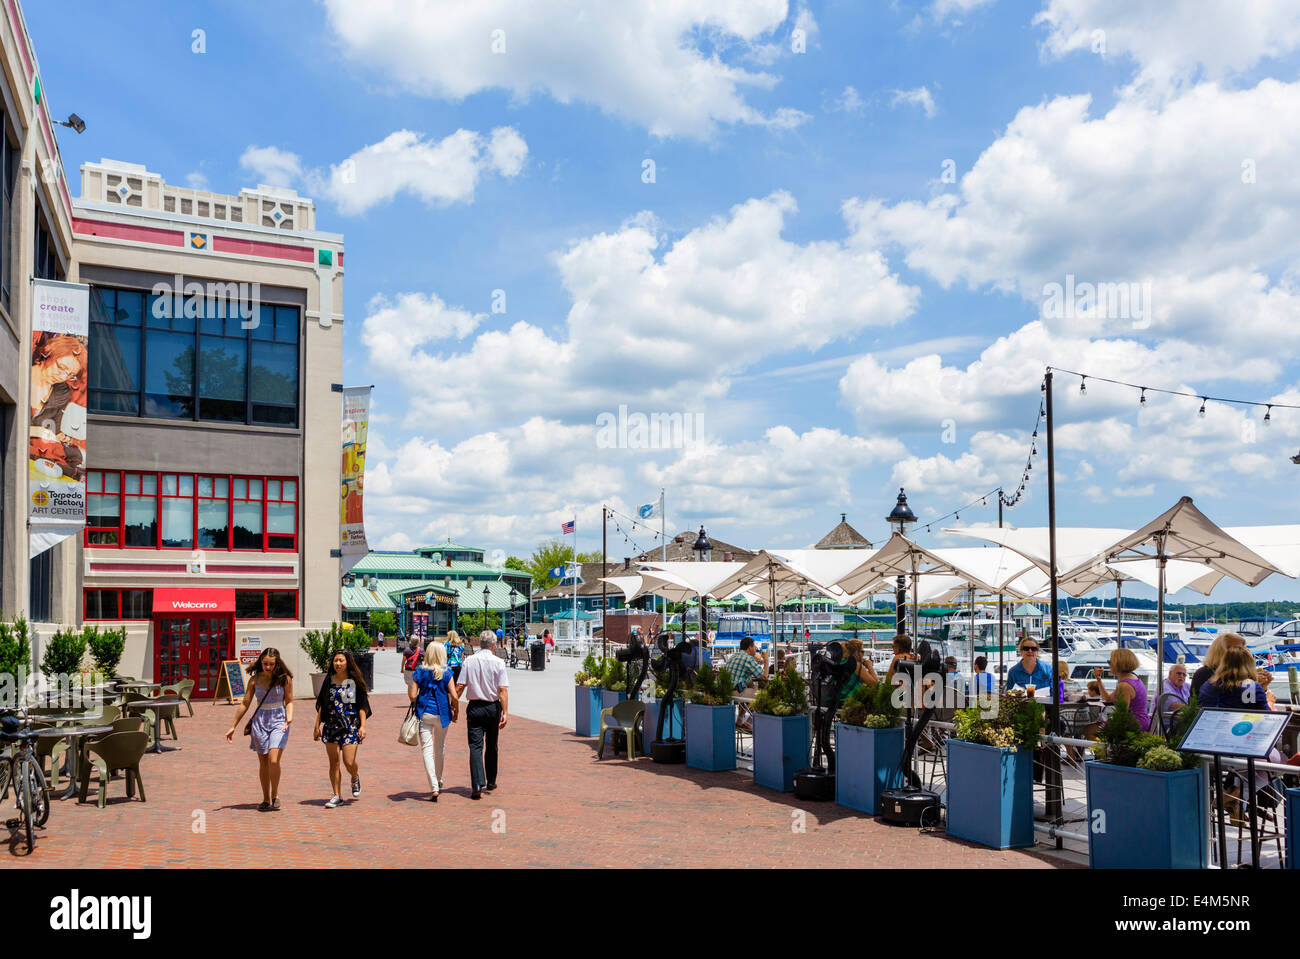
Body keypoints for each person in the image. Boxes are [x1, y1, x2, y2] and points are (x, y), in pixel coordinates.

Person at [224, 647, 294, 811]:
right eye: (265, 664)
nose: (268, 667)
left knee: (274, 759)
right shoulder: (254, 680)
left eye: (271, 664)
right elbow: (245, 703)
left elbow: (289, 701)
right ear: (260, 662)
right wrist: (233, 726)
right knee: (263, 762)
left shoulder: (285, 679)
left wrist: (289, 716)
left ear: (277, 664)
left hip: (279, 720)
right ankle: (265, 798)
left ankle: (275, 795)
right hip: (260, 721)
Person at [313, 650, 372, 808]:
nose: (337, 663)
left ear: (348, 662)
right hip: (331, 725)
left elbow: (362, 706)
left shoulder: (353, 681)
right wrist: (317, 726)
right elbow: (322, 704)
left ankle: (354, 776)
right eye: (335, 661)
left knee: (348, 761)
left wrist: (363, 726)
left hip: (350, 725)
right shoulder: (329, 680)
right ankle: (336, 795)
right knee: (334, 763)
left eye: (341, 661)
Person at [456, 631, 510, 800]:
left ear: (480, 643)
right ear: (493, 645)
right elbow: (502, 690)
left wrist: (452, 704)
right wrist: (505, 712)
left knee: (475, 746)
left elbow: (460, 686)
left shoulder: (469, 661)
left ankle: (477, 784)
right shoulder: (499, 662)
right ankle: (491, 780)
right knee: (492, 744)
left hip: (475, 707)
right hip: (492, 707)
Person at [408, 641, 459, 802]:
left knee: (427, 750)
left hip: (425, 713)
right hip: (442, 714)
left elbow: (412, 696)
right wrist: (455, 709)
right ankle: (439, 778)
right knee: (440, 747)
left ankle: (434, 786)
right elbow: (455, 696)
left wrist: (420, 693)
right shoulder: (447, 672)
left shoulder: (420, 672)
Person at [1092, 647, 1150, 731]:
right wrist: (1099, 679)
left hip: (1134, 725)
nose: (1109, 664)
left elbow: (1121, 714)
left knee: (1088, 729)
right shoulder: (1133, 679)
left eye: (1110, 662)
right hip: (1141, 721)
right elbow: (1108, 699)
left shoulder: (1124, 686)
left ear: (1117, 664)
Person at [1199, 647, 1270, 710]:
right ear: (1249, 666)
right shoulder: (1250, 687)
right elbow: (1264, 716)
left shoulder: (1207, 685)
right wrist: (1270, 701)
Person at [1190, 632, 1246, 699]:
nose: (1242, 653)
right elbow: (1195, 704)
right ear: (1222, 651)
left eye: (1243, 649)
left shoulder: (1243, 674)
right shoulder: (1203, 674)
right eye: (1237, 649)